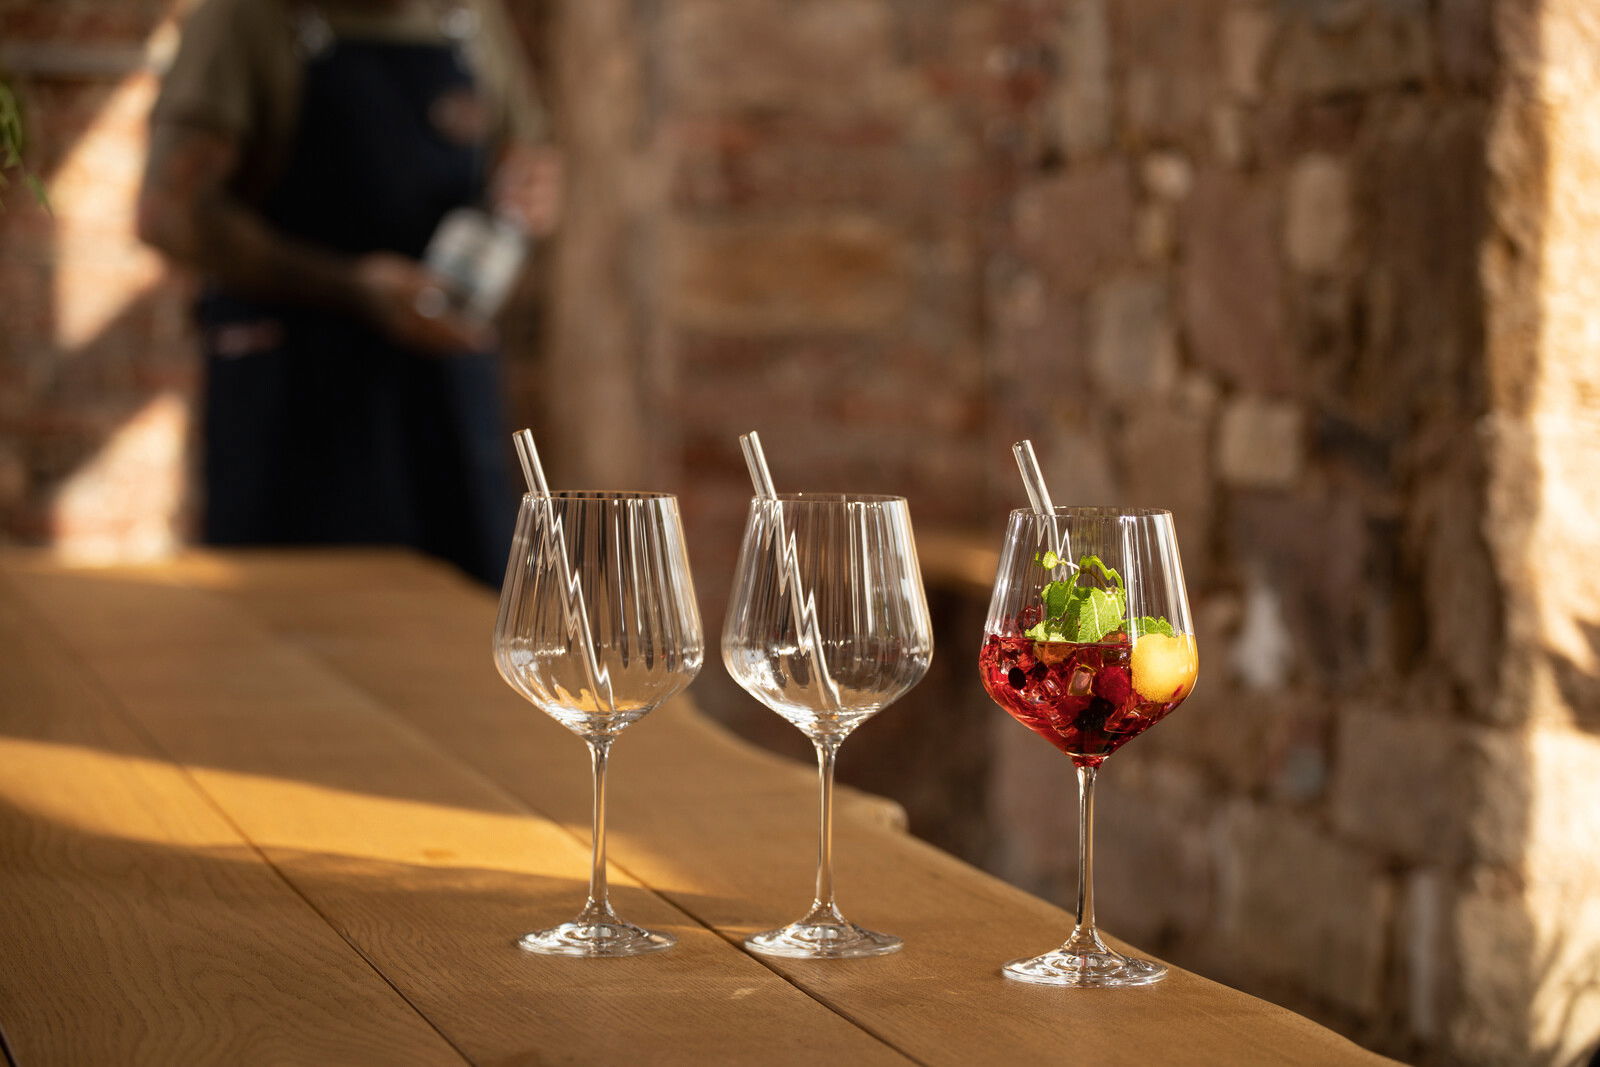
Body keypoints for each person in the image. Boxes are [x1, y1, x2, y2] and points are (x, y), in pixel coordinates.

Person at [138, 0, 559, 585]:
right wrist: (353, 287)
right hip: (294, 395)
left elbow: (525, 152)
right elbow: (169, 213)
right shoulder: (245, 19)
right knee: (300, 614)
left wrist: (529, 190)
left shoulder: (469, 16)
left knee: (471, 612)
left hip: (446, 387)